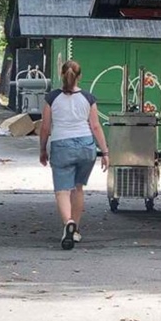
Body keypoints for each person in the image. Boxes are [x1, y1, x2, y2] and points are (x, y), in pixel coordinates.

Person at [39, 60, 109, 249]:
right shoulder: (88, 98)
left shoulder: (51, 98)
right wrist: (105, 152)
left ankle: (68, 223)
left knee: (62, 190)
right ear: (79, 77)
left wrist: (42, 150)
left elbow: (45, 128)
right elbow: (95, 126)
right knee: (78, 188)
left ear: (61, 74)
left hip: (62, 146)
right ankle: (75, 230)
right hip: (86, 146)